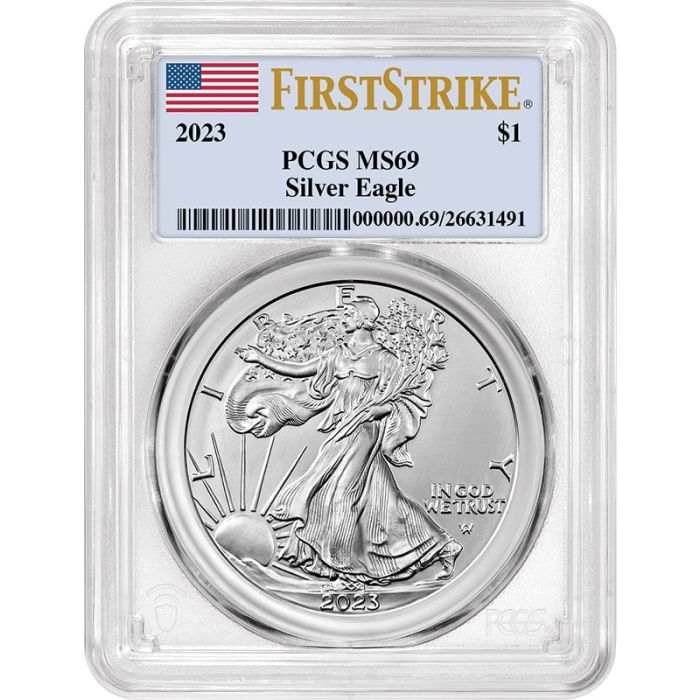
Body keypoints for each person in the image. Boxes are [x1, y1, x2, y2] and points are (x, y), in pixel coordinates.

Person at [236, 296, 461, 583]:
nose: (344, 318)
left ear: (364, 320)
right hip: (342, 431)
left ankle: (342, 563)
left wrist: (381, 409)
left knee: (342, 494)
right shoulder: (337, 355)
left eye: (349, 313)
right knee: (382, 499)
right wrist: (260, 359)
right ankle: (443, 546)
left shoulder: (385, 359)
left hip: (366, 431)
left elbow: (403, 398)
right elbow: (300, 369)